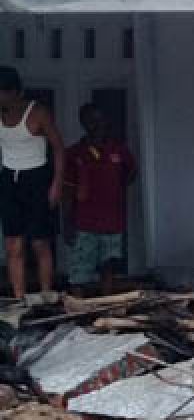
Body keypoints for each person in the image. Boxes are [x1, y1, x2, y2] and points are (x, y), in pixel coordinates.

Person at [0, 66, 64, 299]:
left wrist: (57, 183)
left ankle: (46, 296)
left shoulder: (37, 112)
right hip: (9, 178)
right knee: (13, 245)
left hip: (36, 178)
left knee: (39, 243)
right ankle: (19, 299)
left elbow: (58, 148)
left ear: (14, 92)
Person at [63, 103, 136, 296]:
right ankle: (77, 312)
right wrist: (67, 222)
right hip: (84, 222)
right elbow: (68, 191)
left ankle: (106, 310)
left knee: (108, 268)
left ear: (106, 121)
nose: (95, 124)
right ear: (83, 123)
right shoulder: (74, 153)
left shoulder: (119, 150)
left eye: (99, 119)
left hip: (112, 221)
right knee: (79, 272)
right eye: (90, 120)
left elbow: (131, 173)